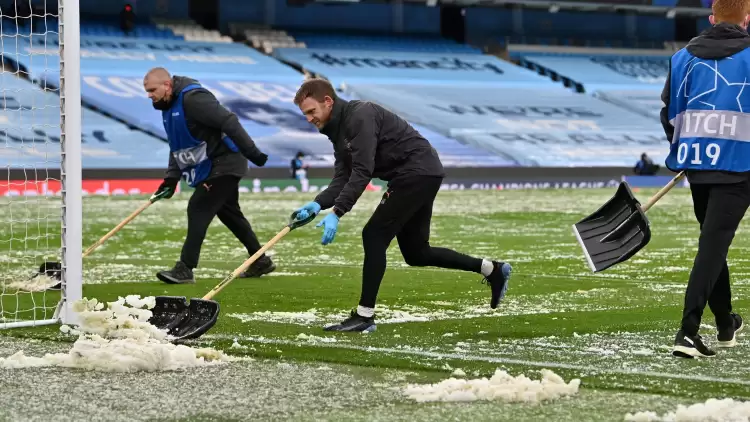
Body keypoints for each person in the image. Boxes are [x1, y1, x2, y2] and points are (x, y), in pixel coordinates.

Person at [289, 78, 512, 332]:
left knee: (373, 235)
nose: (309, 118)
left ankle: (364, 317)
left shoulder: (359, 116)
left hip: (416, 172)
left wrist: (338, 212)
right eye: (305, 113)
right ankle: (491, 269)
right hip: (421, 172)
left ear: (327, 102)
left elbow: (362, 172)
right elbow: (343, 176)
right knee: (417, 253)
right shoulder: (336, 129)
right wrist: (317, 205)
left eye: (311, 111)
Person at [660, 0, 748, 358]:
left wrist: (684, 150)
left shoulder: (682, 58)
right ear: (746, 19)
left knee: (714, 243)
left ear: (712, 19)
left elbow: (669, 113)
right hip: (739, 165)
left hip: (698, 165)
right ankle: (688, 330)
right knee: (713, 246)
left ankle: (726, 323)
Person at [143, 67, 276, 284]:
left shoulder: (193, 99)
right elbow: (177, 145)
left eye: (151, 90)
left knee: (198, 207)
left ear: (167, 85)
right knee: (230, 215)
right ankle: (260, 260)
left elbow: (228, 121)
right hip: (213, 166)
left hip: (225, 164)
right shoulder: (167, 107)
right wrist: (170, 179)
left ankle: (185, 268)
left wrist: (252, 152)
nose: (149, 95)